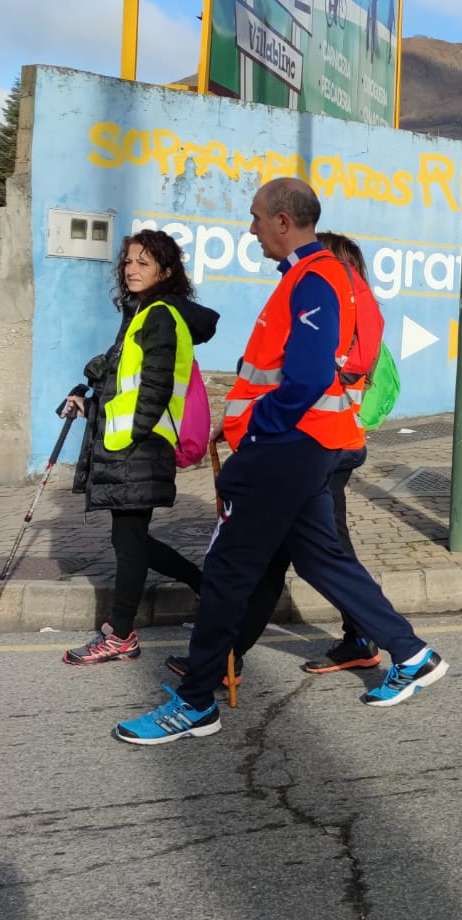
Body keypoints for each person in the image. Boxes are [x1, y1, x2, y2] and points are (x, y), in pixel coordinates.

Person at [113, 179, 446, 745]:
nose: (251, 228)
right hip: (308, 447)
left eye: (256, 218)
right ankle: (412, 653)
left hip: (286, 448)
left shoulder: (313, 277)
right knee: (323, 560)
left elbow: (310, 377)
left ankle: (195, 703)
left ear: (284, 221)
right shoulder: (318, 276)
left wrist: (259, 430)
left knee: (225, 571)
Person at [184, 232, 397, 677]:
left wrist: (265, 426)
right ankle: (227, 660)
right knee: (303, 553)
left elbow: (308, 384)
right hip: (328, 448)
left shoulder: (334, 317)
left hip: (317, 449)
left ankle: (394, 646)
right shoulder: (361, 319)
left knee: (306, 556)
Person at [61, 230, 219, 666]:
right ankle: (199, 583)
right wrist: (87, 391)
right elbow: (119, 369)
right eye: (128, 262)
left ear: (166, 272)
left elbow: (155, 383)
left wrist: (134, 435)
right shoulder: (142, 312)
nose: (131, 269)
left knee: (128, 543)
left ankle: (122, 634)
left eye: (143, 263)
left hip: (136, 445)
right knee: (127, 539)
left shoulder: (161, 315)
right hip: (128, 443)